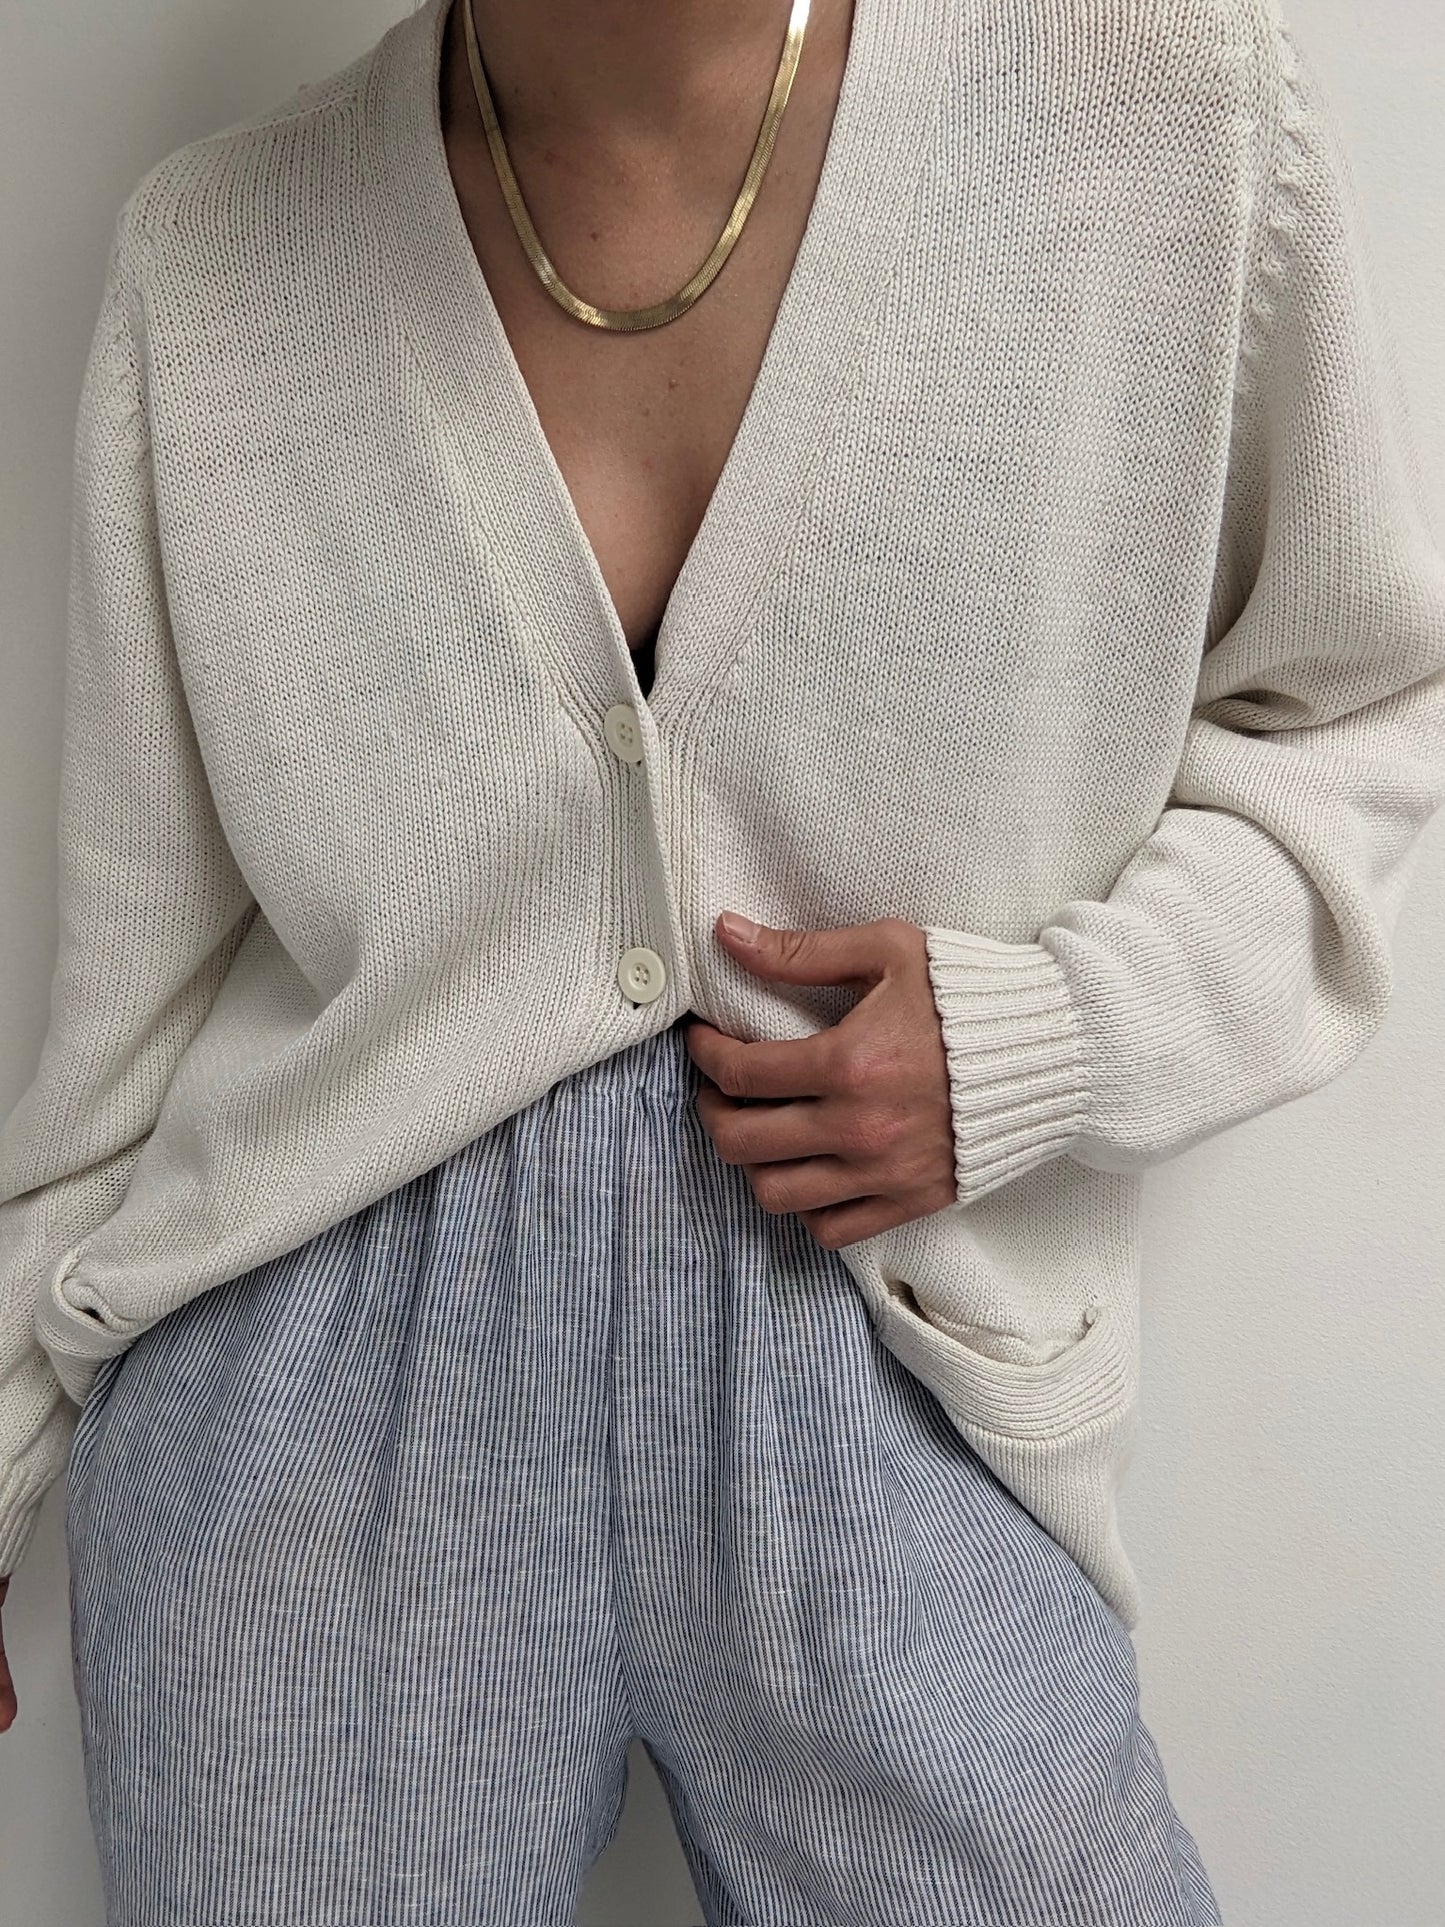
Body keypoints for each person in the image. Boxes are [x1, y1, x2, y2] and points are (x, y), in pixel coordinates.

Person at [2, 0, 1442, 1918]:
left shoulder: (1160, 114)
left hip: (891, 1346)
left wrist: (1053, 1037)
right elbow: (131, 989)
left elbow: (1347, 719)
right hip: (311, 1414)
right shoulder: (215, 258)